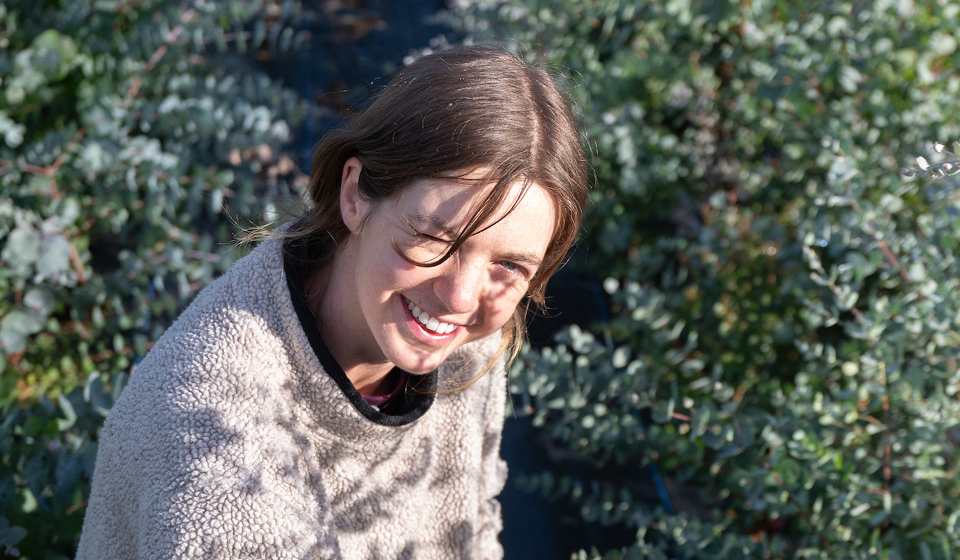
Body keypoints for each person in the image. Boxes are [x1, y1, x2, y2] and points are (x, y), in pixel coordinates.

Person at [76, 45, 588, 560]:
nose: (459, 297)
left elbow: (473, 526)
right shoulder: (220, 450)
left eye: (511, 266)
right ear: (355, 195)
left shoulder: (466, 342)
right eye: (436, 237)